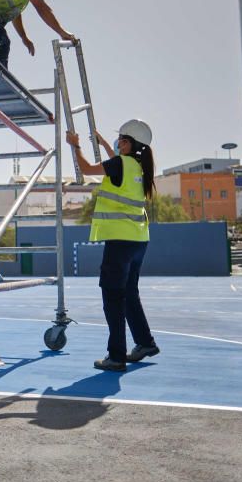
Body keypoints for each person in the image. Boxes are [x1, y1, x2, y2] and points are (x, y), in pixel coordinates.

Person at [66, 119, 160, 372]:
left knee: (113, 296)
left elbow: (87, 168)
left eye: (123, 140)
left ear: (132, 145)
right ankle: (145, 343)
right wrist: (105, 142)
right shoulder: (139, 166)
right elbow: (115, 161)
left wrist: (75, 146)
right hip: (139, 239)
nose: (119, 143)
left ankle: (116, 356)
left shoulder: (121, 164)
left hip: (120, 240)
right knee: (129, 293)